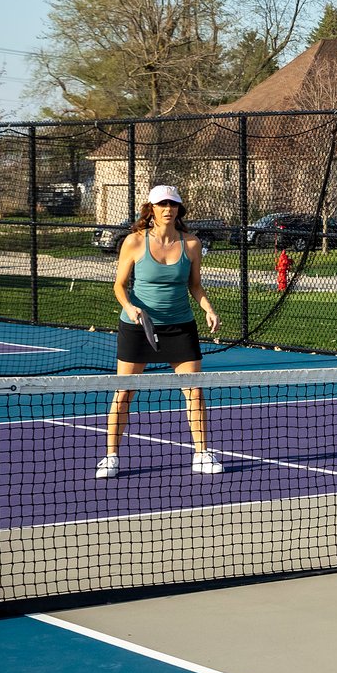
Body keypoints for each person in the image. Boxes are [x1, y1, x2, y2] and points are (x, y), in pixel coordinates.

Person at [97, 185, 225, 478]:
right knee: (124, 392)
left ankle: (202, 454)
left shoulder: (191, 244)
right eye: (162, 204)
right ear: (151, 209)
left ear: (179, 209)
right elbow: (119, 284)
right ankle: (111, 456)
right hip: (137, 327)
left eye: (173, 204)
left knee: (194, 391)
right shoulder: (133, 242)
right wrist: (129, 307)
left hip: (180, 327)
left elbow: (194, 285)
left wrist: (208, 308)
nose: (168, 209)